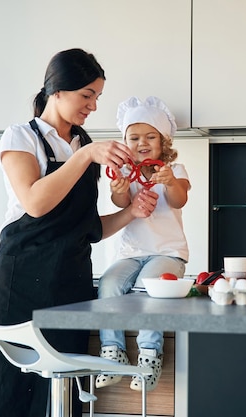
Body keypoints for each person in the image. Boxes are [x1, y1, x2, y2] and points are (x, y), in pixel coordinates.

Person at [0, 49, 158, 417]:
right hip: (19, 288)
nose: (94, 106)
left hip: (69, 291)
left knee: (61, 401)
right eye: (87, 95)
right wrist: (84, 157)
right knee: (3, 395)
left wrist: (131, 212)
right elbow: (36, 203)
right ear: (57, 90)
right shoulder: (21, 137)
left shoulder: (83, 145)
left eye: (97, 97)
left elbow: (88, 230)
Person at [95, 96, 190, 392]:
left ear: (163, 142)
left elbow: (180, 199)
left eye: (151, 136)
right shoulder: (124, 174)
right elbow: (120, 202)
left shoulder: (177, 171)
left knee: (152, 284)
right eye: (134, 137)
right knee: (108, 284)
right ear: (125, 143)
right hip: (130, 253)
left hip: (167, 253)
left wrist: (170, 182)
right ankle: (113, 351)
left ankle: (150, 355)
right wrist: (120, 190)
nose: (142, 142)